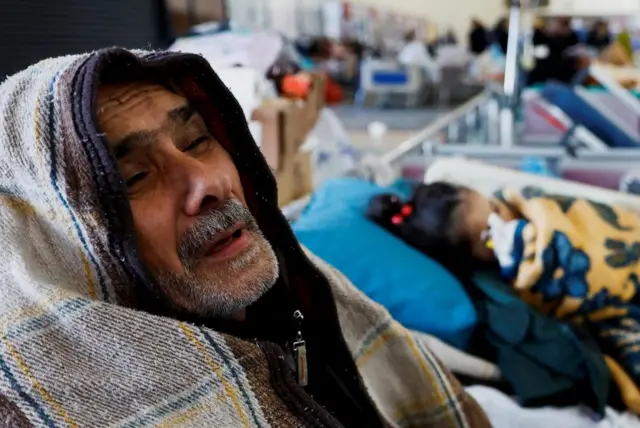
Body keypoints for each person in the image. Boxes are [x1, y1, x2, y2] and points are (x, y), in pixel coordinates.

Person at [0, 48, 490, 427]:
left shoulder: (306, 298)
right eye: (132, 179)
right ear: (63, 243)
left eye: (196, 141)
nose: (210, 184)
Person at [368, 182, 640, 414]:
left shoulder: (528, 203)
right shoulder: (505, 287)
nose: (506, 223)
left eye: (496, 211)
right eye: (488, 237)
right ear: (473, 259)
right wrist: (536, 260)